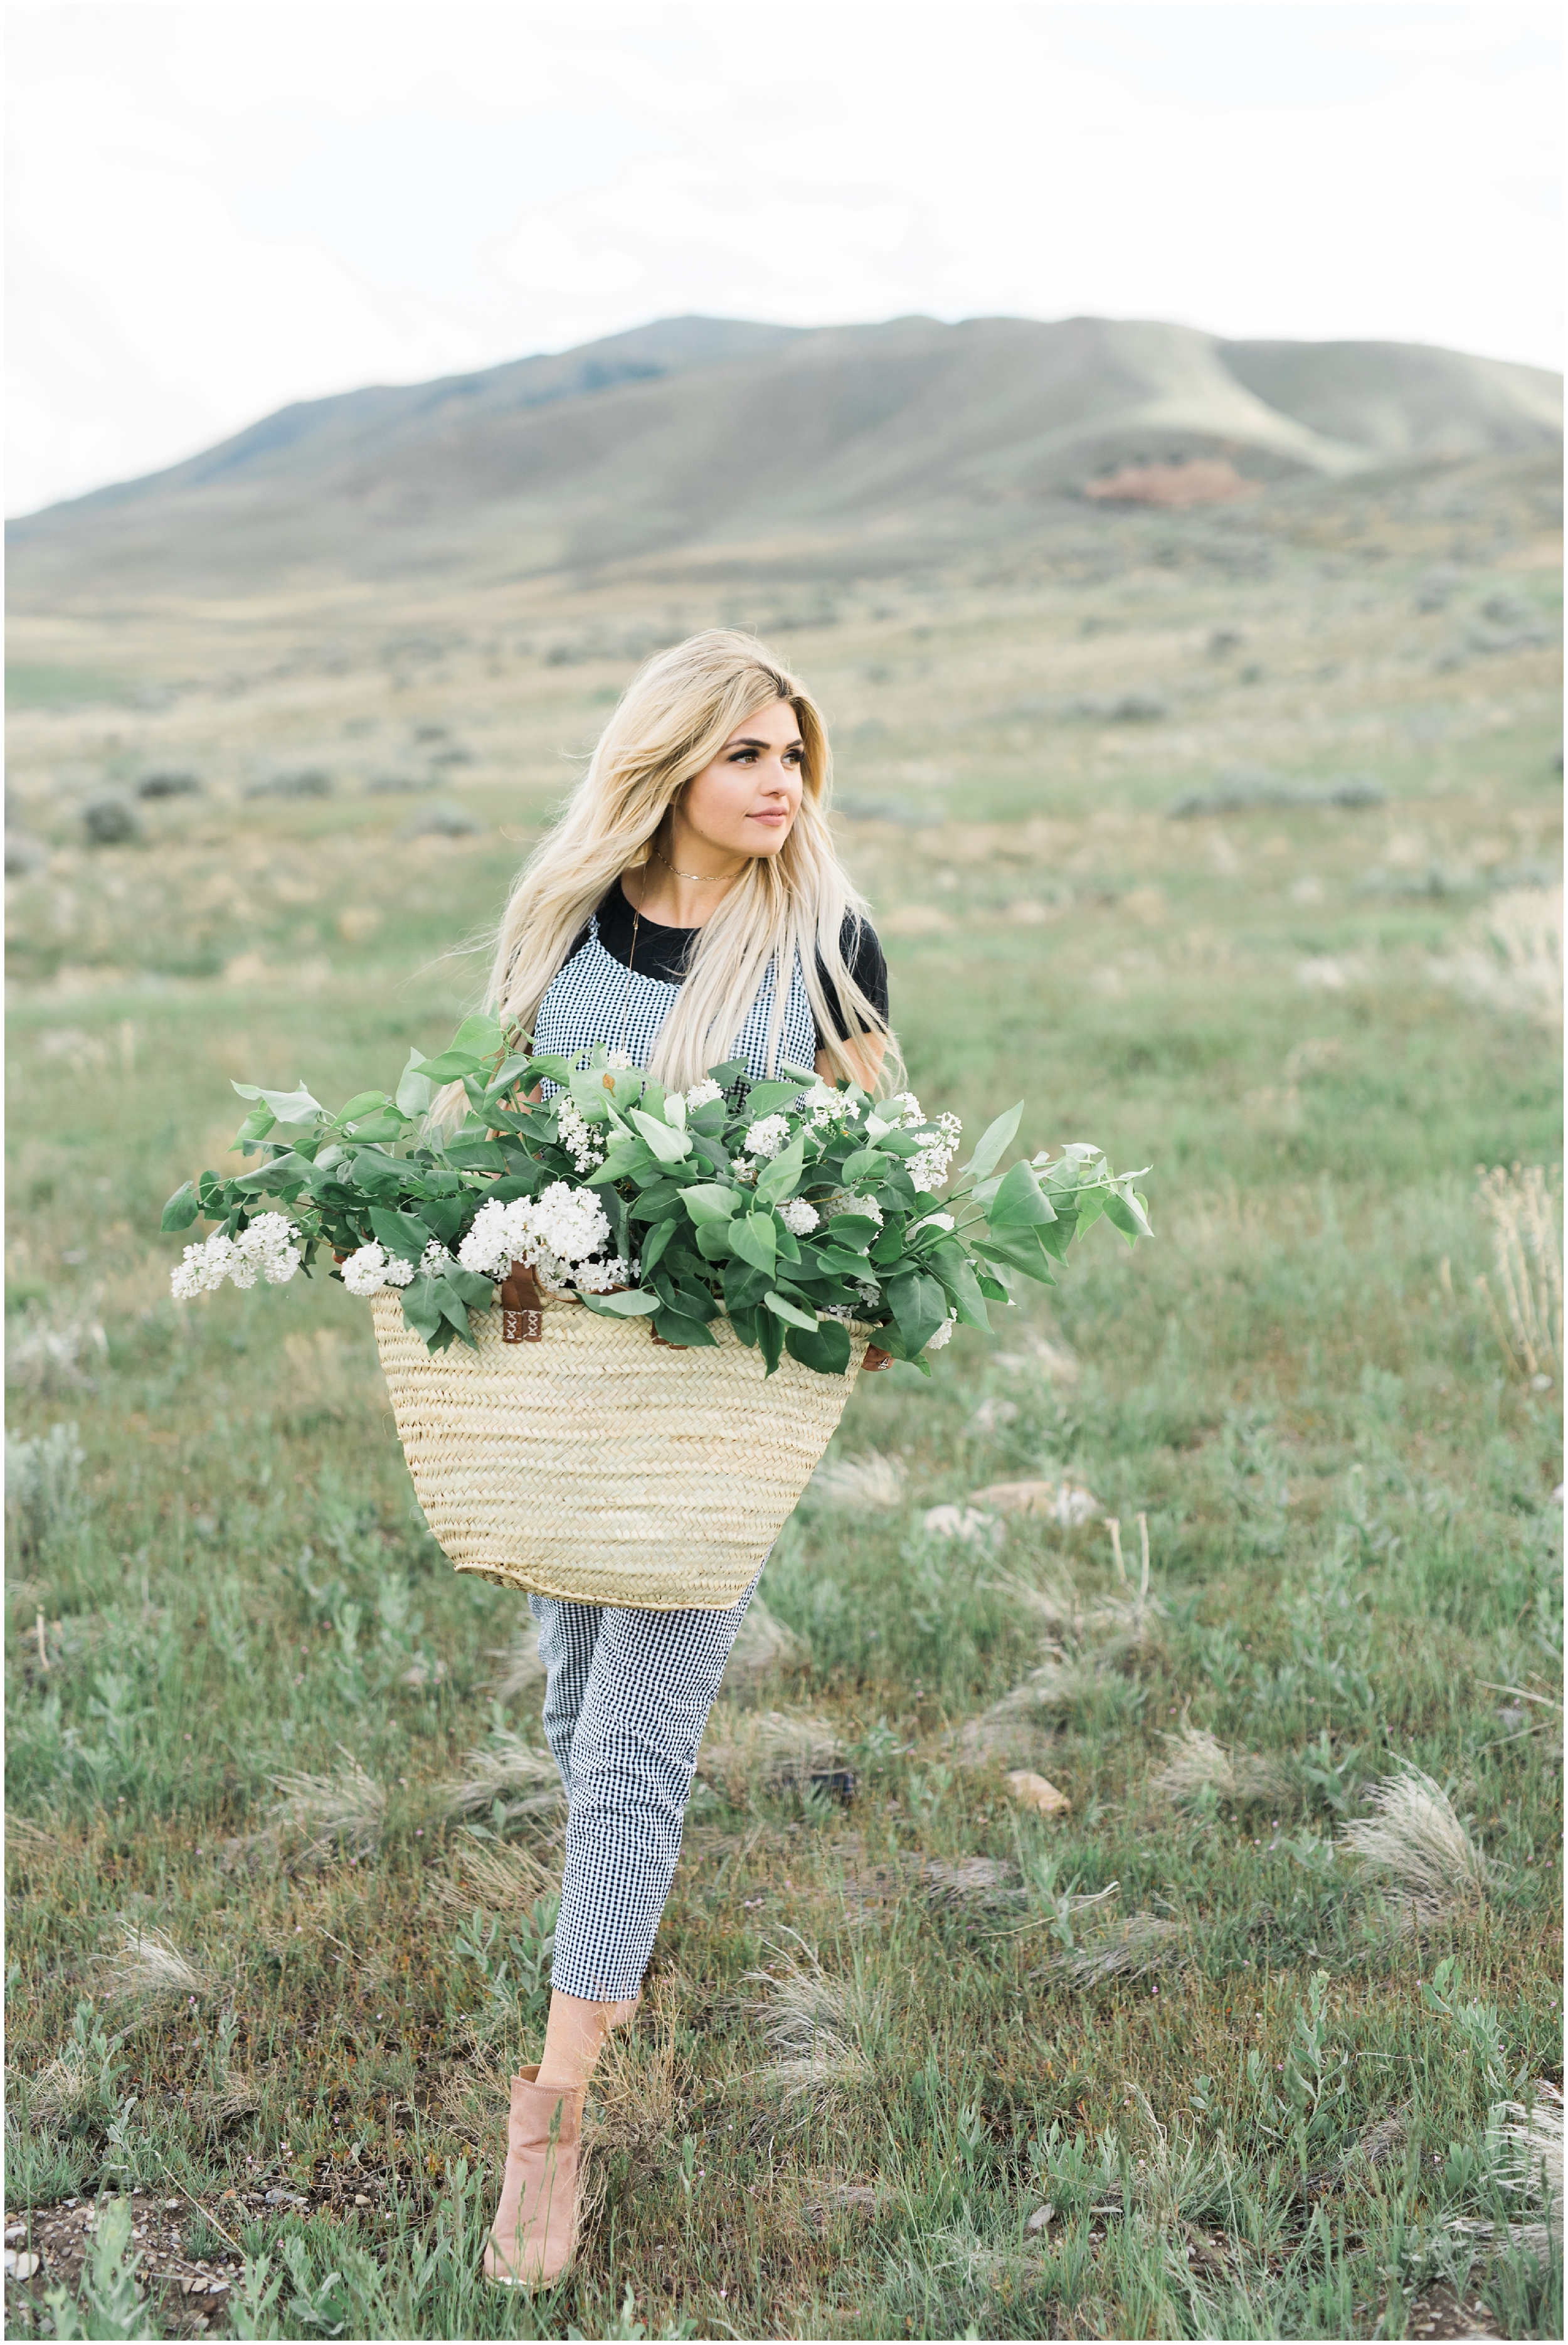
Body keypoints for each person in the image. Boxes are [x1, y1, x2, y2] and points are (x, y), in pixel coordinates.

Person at [477, 630, 892, 2287]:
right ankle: (619, 1953)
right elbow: (500, 1142)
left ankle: (553, 2118)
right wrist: (498, 1328)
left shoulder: (826, 942)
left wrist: (860, 1284)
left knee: (638, 1742)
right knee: (579, 1714)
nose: (780, 783)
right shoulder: (568, 924)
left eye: (793, 753)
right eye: (746, 755)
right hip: (565, 1395)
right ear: (667, 768)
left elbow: (879, 1153)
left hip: (717, 1408)